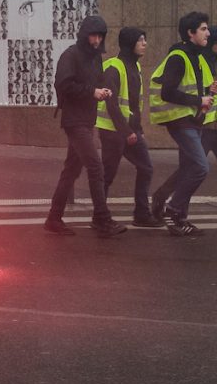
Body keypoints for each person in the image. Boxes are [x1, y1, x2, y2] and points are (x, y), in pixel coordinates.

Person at [151, 25, 217, 224]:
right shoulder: (196, 62)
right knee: (190, 169)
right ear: (208, 44)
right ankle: (167, 202)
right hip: (200, 125)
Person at [44, 15, 126, 237]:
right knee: (95, 166)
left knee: (71, 171)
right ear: (84, 35)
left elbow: (94, 82)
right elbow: (63, 83)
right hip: (74, 121)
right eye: (93, 35)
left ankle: (53, 218)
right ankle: (101, 219)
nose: (96, 40)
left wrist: (102, 90)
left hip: (86, 120)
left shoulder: (96, 58)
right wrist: (92, 92)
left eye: (100, 36)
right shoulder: (71, 55)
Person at [148, 11, 215, 237]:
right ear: (190, 32)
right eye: (204, 29)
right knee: (200, 167)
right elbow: (167, 92)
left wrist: (205, 98)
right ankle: (175, 210)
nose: (208, 32)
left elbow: (194, 89)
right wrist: (199, 100)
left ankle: (165, 203)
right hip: (179, 120)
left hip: (190, 119)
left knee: (189, 167)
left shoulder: (195, 56)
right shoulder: (179, 57)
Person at [96, 27, 164, 227]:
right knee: (108, 174)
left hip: (130, 131)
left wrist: (137, 130)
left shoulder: (136, 67)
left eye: (145, 39)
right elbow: (112, 104)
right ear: (129, 43)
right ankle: (99, 217)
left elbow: (134, 105)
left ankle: (141, 214)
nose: (145, 43)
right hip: (112, 131)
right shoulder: (114, 67)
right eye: (141, 40)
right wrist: (126, 132)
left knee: (146, 168)